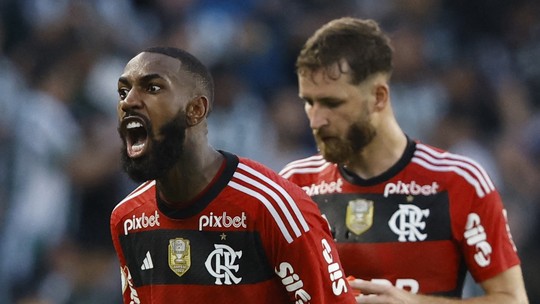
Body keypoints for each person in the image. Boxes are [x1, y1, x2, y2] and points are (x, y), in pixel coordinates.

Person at [279, 17, 529, 303]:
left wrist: (414, 302)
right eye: (309, 101)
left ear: (379, 97)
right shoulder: (293, 186)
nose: (316, 119)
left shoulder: (458, 182)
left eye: (333, 103)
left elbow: (511, 299)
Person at [109, 46, 356, 304]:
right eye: (123, 92)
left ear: (196, 110)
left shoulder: (273, 206)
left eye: (153, 88)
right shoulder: (127, 218)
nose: (128, 102)